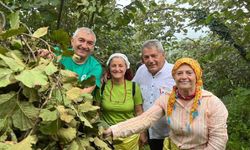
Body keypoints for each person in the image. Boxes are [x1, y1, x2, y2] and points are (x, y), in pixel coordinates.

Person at [104, 57, 229, 150]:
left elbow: (218, 140)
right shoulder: (167, 99)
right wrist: (113, 131)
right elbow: (144, 120)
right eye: (179, 73)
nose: (184, 77)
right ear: (174, 77)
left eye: (189, 73)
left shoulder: (212, 103)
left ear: (197, 76)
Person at [132, 39, 175, 149]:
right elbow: (131, 90)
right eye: (146, 57)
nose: (150, 60)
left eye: (154, 56)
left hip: (172, 133)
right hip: (150, 132)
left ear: (163, 55)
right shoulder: (141, 71)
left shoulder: (175, 72)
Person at [96, 53, 144, 150]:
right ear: (109, 68)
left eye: (121, 66)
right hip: (107, 136)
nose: (117, 69)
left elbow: (139, 112)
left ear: (126, 67)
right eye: (114, 66)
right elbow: (95, 110)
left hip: (130, 136)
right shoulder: (102, 86)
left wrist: (142, 133)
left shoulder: (134, 87)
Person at [38, 27, 102, 94]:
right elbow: (45, 55)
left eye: (89, 43)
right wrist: (42, 54)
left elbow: (85, 92)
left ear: (93, 47)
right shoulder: (59, 53)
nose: (84, 46)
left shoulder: (95, 67)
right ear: (72, 41)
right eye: (81, 40)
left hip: (73, 101)